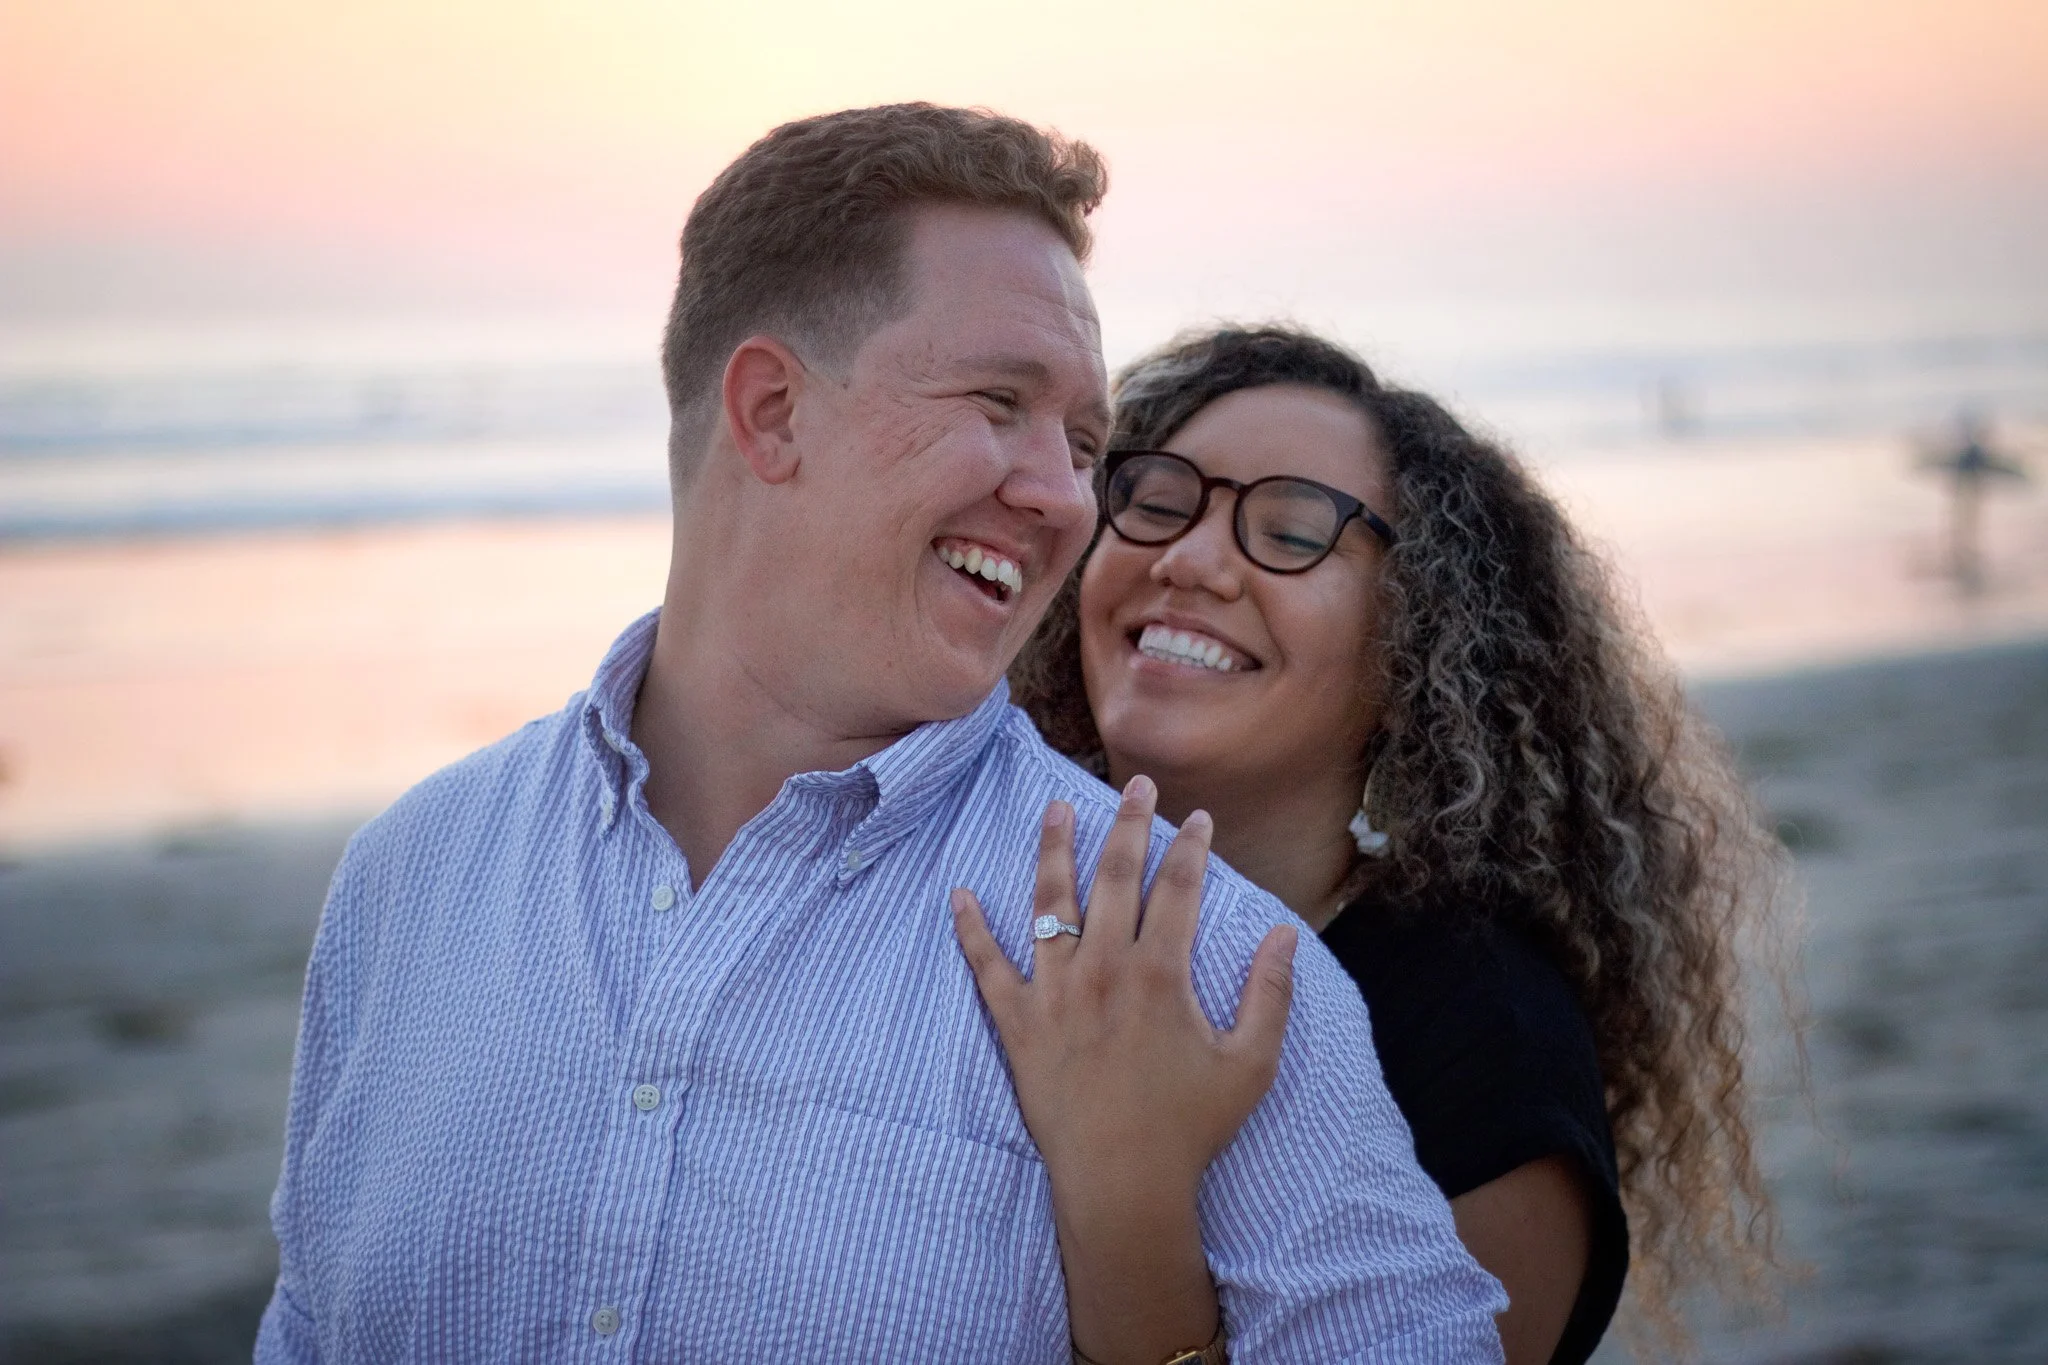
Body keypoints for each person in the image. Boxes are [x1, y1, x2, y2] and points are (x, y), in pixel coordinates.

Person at [255, 110, 1507, 1362]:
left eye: (1083, 445)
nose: (1064, 498)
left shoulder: (1203, 970)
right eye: (1000, 402)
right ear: (772, 412)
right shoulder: (410, 879)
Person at [970, 326, 1791, 1364]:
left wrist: (1126, 1189)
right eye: (1158, 499)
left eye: (1293, 528)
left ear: (1418, 639)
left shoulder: (1486, 1052)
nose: (1184, 560)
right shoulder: (973, 892)